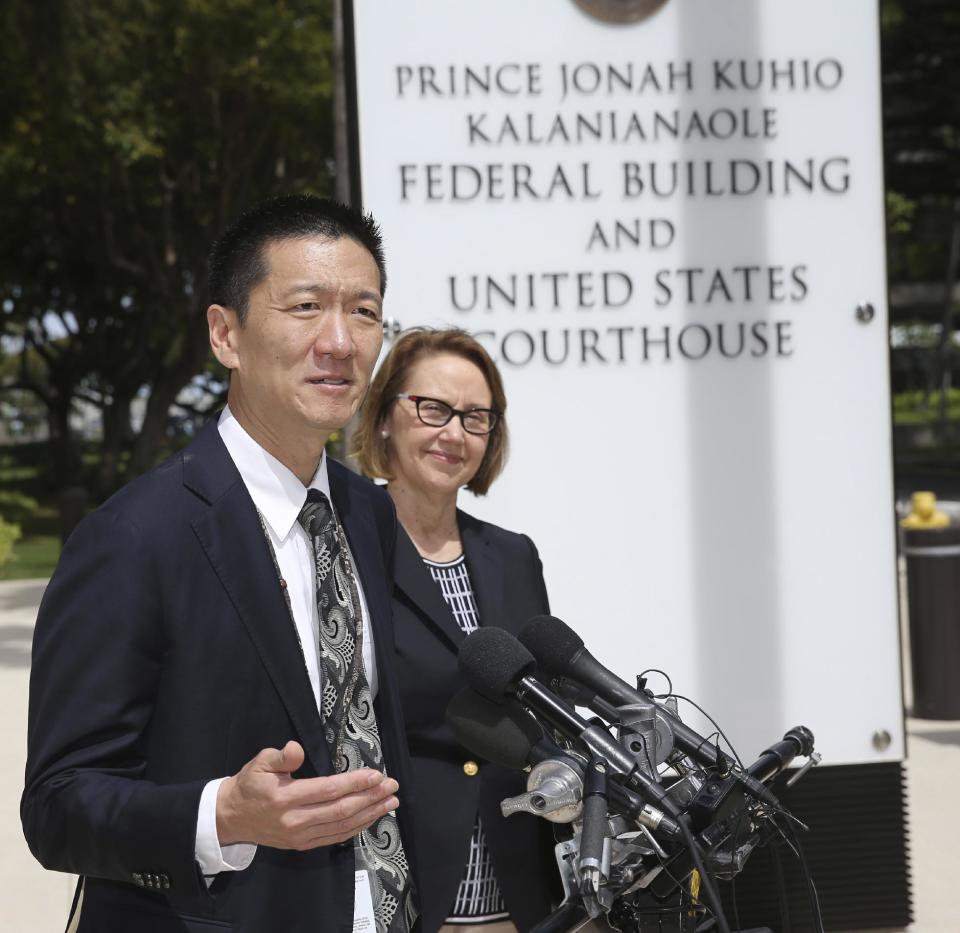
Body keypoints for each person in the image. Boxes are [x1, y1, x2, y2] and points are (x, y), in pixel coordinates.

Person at [22, 195, 418, 933]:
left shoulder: (368, 513)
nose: (340, 339)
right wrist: (222, 816)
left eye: (364, 312)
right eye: (305, 306)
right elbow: (58, 805)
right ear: (225, 334)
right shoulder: (134, 536)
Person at [352, 328, 560, 933]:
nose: (453, 433)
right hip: (402, 890)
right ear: (387, 415)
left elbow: (542, 708)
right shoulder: (344, 544)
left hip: (518, 894)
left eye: (475, 418)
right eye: (433, 408)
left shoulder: (514, 555)